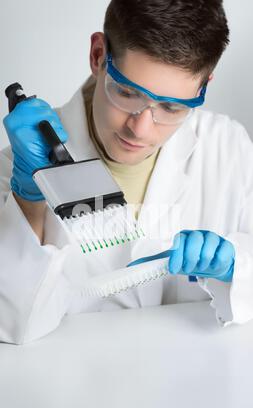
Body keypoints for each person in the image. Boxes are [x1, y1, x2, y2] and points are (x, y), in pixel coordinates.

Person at [0, 0, 252, 344]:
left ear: (203, 87)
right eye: (128, 93)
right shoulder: (18, 165)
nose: (141, 129)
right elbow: (10, 325)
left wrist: (236, 267)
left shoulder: (228, 148)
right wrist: (28, 201)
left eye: (172, 107)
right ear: (98, 55)